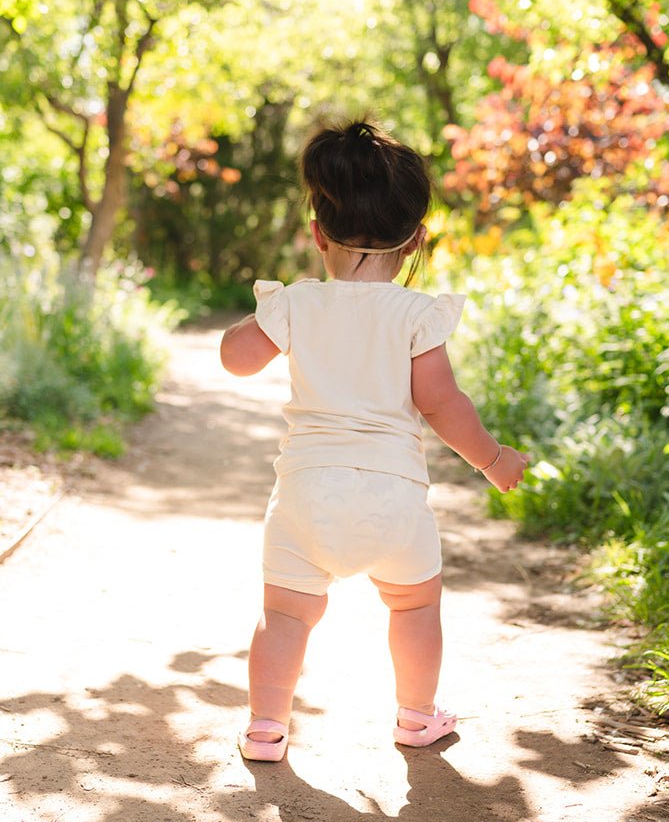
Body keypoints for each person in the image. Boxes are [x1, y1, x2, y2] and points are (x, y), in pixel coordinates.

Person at [219, 117, 529, 763]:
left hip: (305, 496)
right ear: (415, 239)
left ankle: (265, 728)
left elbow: (236, 360)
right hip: (393, 498)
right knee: (414, 606)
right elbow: (440, 404)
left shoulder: (297, 303)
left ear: (315, 234)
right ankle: (416, 718)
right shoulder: (417, 313)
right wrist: (493, 460)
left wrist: (271, 312)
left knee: (285, 617)